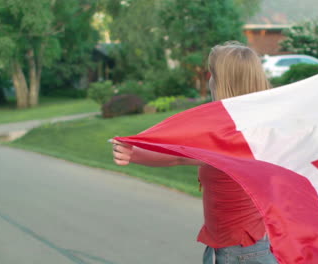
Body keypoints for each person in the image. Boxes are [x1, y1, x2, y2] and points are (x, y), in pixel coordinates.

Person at [110, 41, 278, 264]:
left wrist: (133, 153)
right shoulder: (256, 127)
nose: (209, 80)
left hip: (241, 252)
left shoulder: (228, 136)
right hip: (243, 246)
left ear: (225, 82)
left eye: (212, 74)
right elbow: (179, 156)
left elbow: (177, 156)